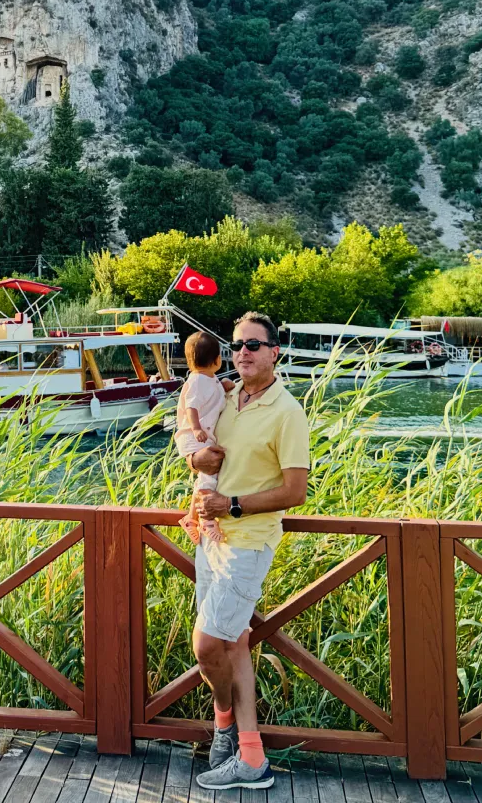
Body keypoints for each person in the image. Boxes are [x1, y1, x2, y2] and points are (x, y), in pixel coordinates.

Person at [186, 312, 310, 792]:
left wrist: (231, 505)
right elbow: (198, 446)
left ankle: (222, 726)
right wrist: (197, 459)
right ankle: (251, 756)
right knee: (234, 644)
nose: (242, 353)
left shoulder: (287, 412)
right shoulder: (227, 399)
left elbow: (295, 491)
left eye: (254, 345)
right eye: (237, 345)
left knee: (206, 645)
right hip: (212, 540)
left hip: (248, 544)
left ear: (275, 352)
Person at [174, 332, 233, 545]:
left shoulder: (208, 378)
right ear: (217, 360)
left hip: (197, 435)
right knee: (211, 473)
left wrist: (225, 386)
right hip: (193, 436)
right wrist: (196, 427)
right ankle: (206, 520)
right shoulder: (198, 381)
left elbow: (213, 396)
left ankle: (191, 518)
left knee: (204, 478)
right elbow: (191, 406)